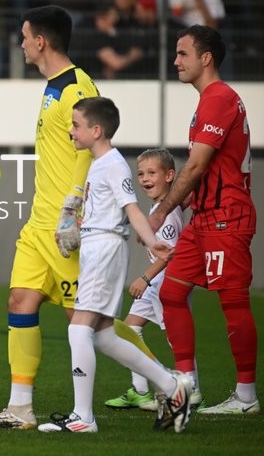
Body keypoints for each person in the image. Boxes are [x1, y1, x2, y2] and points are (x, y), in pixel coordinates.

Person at [0, 5, 155, 430]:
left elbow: (93, 149)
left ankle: (167, 386)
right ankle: (19, 408)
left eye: (24, 35)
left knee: (93, 325)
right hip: (39, 224)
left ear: (41, 41)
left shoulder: (77, 86)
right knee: (20, 301)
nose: (20, 43)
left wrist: (72, 209)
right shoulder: (53, 86)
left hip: (68, 227)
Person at [36, 96, 192, 434]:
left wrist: (153, 242)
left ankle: (83, 418)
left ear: (96, 129)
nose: (71, 131)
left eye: (76, 125)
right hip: (96, 246)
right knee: (103, 335)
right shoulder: (99, 162)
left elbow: (131, 207)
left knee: (78, 329)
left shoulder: (113, 163)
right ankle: (172, 386)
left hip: (104, 248)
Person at [150, 25, 259, 415]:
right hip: (206, 217)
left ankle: (246, 397)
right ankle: (187, 387)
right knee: (171, 294)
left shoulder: (218, 98)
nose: (175, 61)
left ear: (206, 58)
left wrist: (162, 209)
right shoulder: (212, 99)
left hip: (227, 217)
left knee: (233, 303)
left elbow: (196, 166)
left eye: (182, 54)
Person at [105, 148, 203, 411]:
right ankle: (140, 391)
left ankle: (188, 388)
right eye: (140, 173)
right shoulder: (163, 205)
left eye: (152, 173)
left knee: (176, 338)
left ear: (170, 175)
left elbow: (169, 254)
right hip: (157, 282)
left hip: (165, 281)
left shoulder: (166, 212)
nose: (145, 178)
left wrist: (144, 279)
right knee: (127, 330)